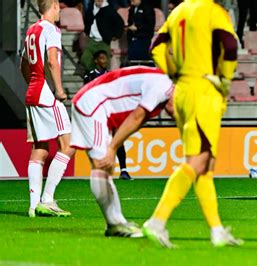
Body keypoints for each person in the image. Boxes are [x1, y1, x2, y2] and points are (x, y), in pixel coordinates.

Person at [145, 0, 242, 248]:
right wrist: (225, 79)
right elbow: (230, 46)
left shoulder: (177, 11)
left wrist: (174, 72)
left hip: (183, 91)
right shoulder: (213, 11)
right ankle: (157, 221)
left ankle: (217, 230)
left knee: (205, 164)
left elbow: (155, 47)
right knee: (197, 161)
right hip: (204, 90)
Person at [71, 66, 174, 237]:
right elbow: (136, 117)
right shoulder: (164, 86)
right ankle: (116, 224)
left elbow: (136, 120)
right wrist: (112, 148)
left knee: (104, 167)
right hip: (94, 106)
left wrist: (114, 145)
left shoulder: (161, 84)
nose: (177, 116)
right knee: (101, 164)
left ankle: (116, 223)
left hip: (96, 105)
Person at [20, 0, 74, 218]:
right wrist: (59, 90)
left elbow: (23, 63)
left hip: (33, 93)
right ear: (52, 5)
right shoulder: (51, 29)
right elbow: (52, 60)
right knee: (68, 145)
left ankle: (33, 207)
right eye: (58, 6)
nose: (60, 10)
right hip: (45, 94)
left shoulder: (32, 30)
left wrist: (33, 83)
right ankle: (48, 199)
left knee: (40, 148)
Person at [83, 50, 133, 180]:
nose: (105, 61)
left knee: (118, 139)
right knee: (99, 141)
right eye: (102, 58)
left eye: (106, 58)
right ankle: (99, 170)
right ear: (96, 61)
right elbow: (86, 92)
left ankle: (124, 170)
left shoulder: (111, 75)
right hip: (97, 112)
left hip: (110, 111)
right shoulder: (90, 75)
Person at [81, 0, 124, 71]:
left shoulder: (109, 9)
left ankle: (100, 75)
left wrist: (116, 35)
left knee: (104, 62)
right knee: (85, 59)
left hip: (104, 42)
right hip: (92, 41)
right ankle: (95, 73)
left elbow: (120, 23)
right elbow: (87, 20)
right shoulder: (90, 7)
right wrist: (87, 31)